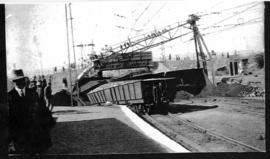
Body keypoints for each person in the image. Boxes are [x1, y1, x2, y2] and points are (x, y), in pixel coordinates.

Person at [8, 69, 55, 156]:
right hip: (19, 137)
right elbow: (9, 120)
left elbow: (43, 110)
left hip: (35, 135)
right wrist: (10, 141)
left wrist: (47, 125)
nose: (20, 82)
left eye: (22, 79)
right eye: (17, 80)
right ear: (13, 82)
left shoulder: (33, 94)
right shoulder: (9, 97)